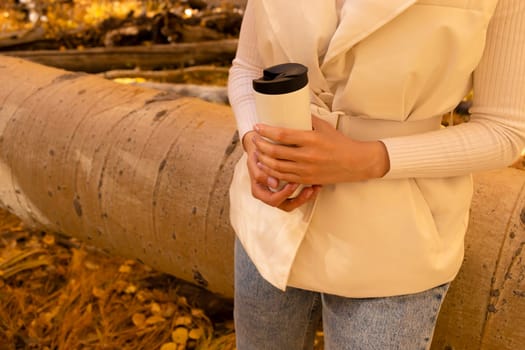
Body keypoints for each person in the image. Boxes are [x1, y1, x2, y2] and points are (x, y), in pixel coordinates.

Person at [227, 0, 525, 349]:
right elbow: (248, 67)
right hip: (270, 216)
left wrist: (367, 158)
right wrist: (254, 140)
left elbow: (505, 129)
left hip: (396, 234)